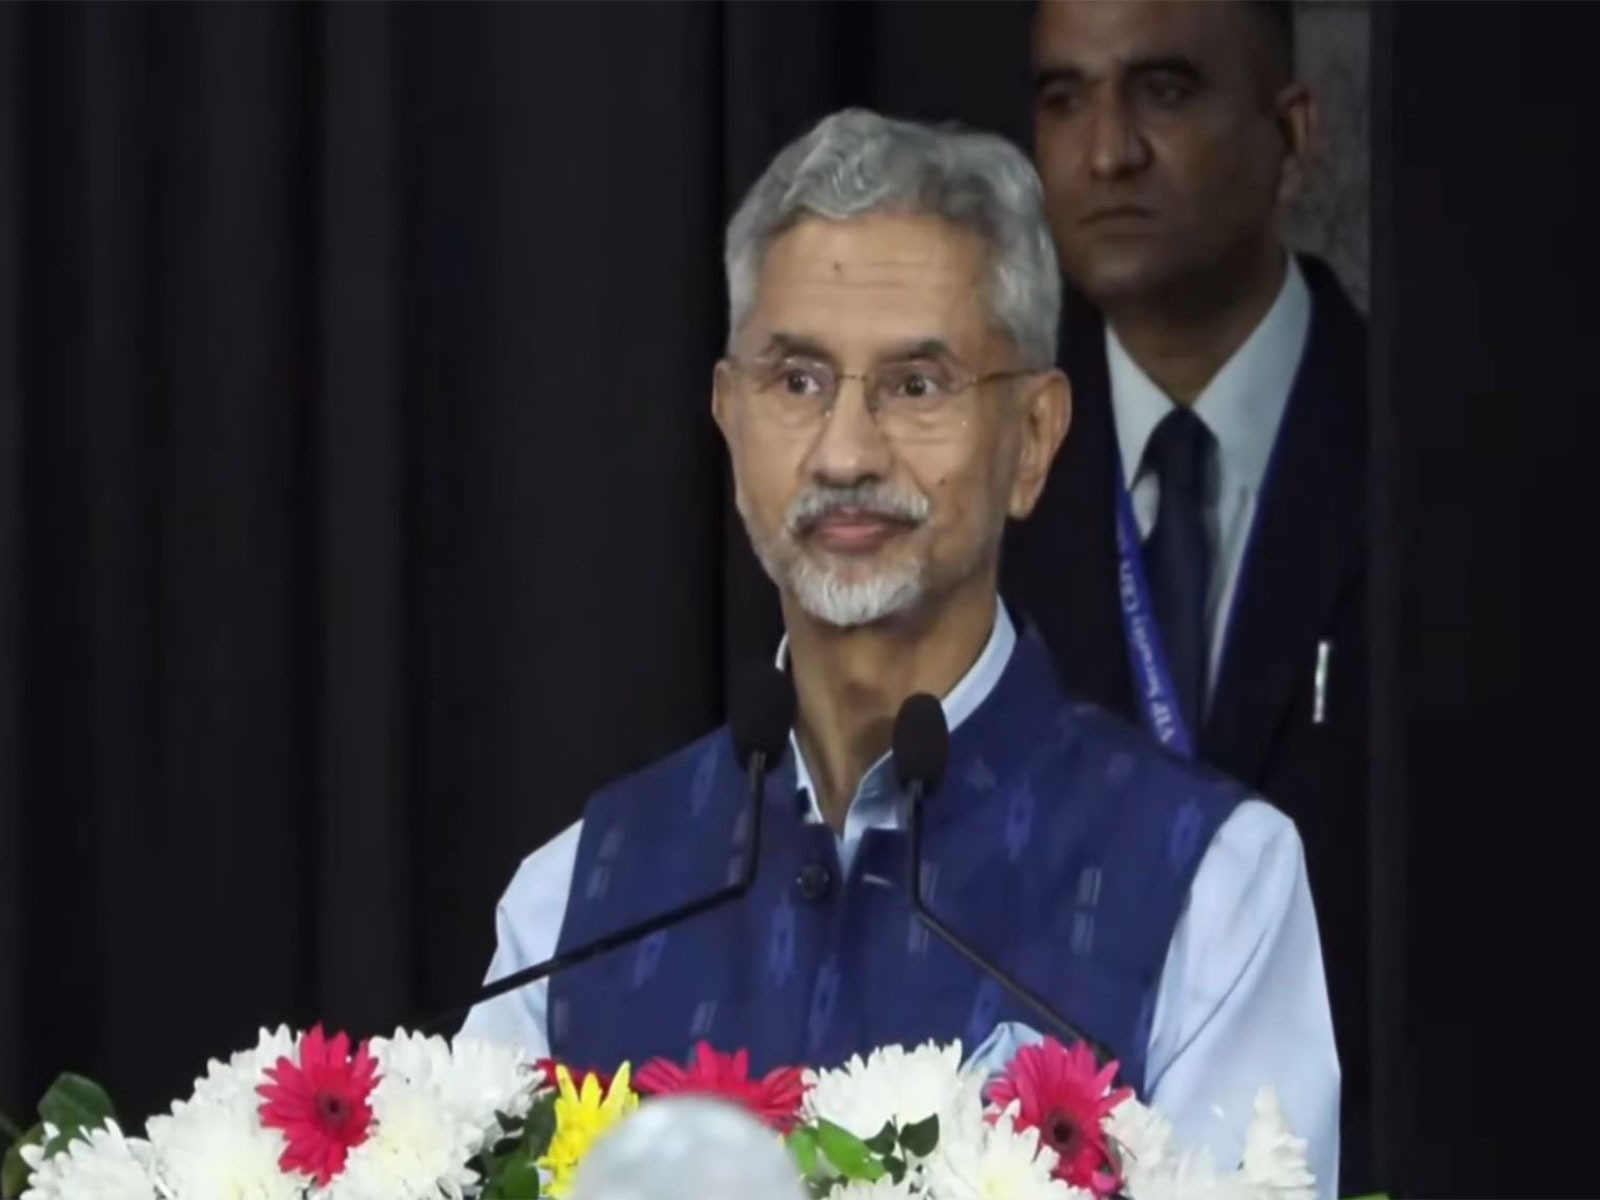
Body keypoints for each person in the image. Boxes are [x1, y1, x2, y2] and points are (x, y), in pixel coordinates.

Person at [464, 108, 1338, 1191]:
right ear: (732, 429)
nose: (845, 450)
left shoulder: (1214, 887)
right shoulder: (575, 902)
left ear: (1033, 439)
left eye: (916, 385)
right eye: (796, 381)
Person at [1004, 1, 1370, 1190]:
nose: (1106, 151)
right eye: (1064, 100)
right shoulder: (979, 483)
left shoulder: (1433, 457)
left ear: (1294, 133)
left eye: (1162, 90)